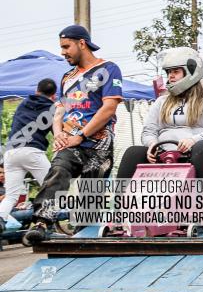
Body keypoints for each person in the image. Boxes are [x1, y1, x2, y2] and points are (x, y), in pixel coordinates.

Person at [24, 26, 124, 245]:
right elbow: (59, 110)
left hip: (99, 144)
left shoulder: (108, 69)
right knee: (58, 170)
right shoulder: (67, 77)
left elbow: (109, 108)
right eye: (61, 47)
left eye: (66, 46)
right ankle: (41, 223)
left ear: (82, 43)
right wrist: (59, 133)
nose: (63, 52)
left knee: (90, 201)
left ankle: (85, 236)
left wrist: (81, 134)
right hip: (71, 142)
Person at [116, 47, 203, 234]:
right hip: (165, 156)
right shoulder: (161, 102)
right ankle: (120, 213)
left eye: (175, 71)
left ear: (191, 71)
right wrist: (151, 145)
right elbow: (149, 131)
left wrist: (194, 139)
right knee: (133, 152)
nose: (171, 77)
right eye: (169, 72)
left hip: (201, 157)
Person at [0, 79, 57, 234]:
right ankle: (45, 224)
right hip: (32, 151)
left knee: (11, 195)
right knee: (52, 188)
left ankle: (0, 218)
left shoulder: (23, 103)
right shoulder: (52, 108)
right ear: (54, 95)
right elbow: (56, 132)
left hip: (11, 153)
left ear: (37, 90)